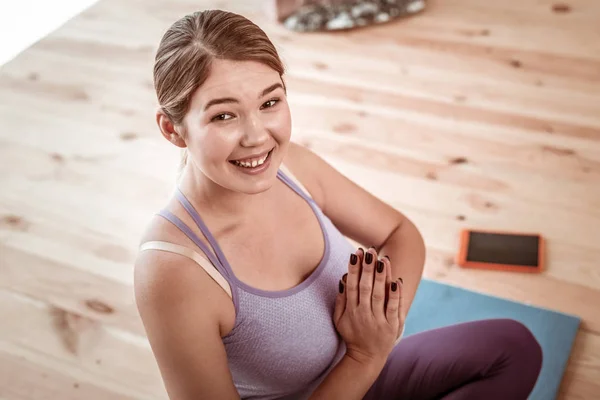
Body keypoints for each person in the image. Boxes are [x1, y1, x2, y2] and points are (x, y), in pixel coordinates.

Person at [133, 9, 543, 400]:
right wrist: (365, 355)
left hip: (367, 370)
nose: (257, 137)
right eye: (224, 116)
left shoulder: (291, 168)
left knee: (512, 347)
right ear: (173, 129)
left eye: (270, 102)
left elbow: (401, 235)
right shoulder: (173, 271)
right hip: (353, 372)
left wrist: (382, 327)